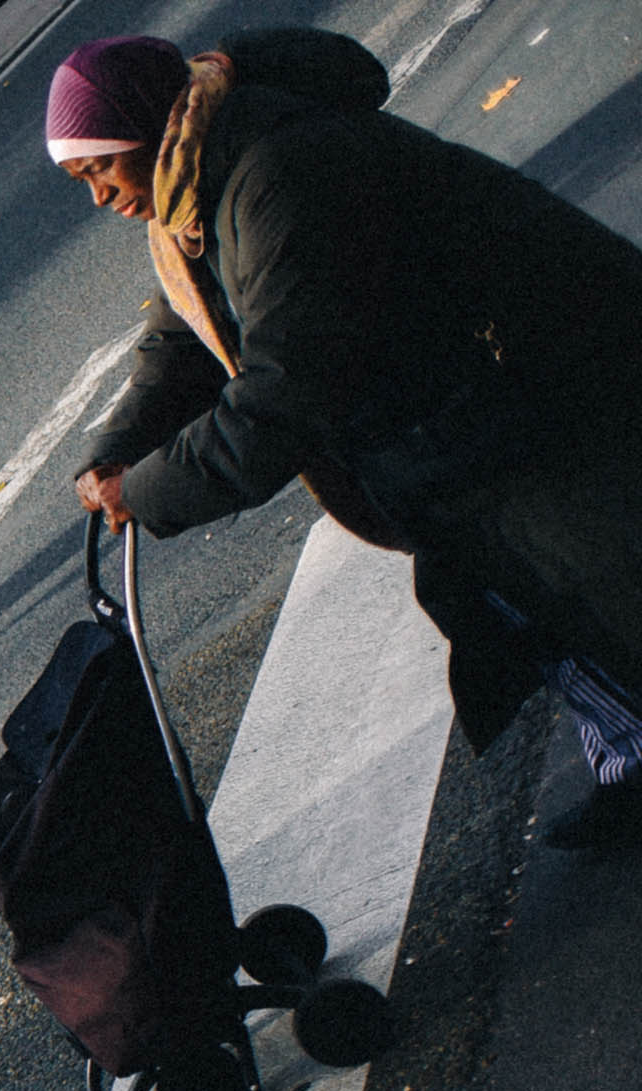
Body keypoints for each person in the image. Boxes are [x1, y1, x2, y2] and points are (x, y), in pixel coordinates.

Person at [52, 29, 642, 851]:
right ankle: (630, 753)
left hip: (535, 370)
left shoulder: (274, 172)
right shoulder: (196, 187)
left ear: (151, 130)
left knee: (584, 579)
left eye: (99, 168)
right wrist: (119, 445)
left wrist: (146, 491)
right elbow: (187, 332)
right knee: (525, 591)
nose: (98, 196)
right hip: (463, 407)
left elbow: (288, 392)